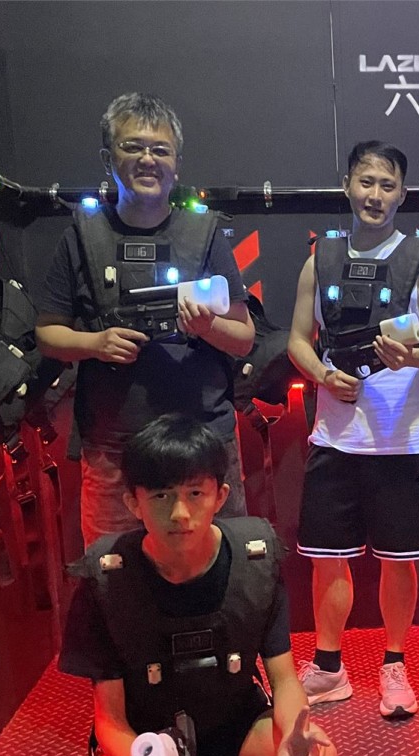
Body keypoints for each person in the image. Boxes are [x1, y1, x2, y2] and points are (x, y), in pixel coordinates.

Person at [59, 413, 338, 756]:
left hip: (233, 723)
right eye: (161, 496)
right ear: (133, 502)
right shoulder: (106, 580)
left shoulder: (256, 560)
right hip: (147, 740)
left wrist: (292, 730)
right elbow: (110, 720)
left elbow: (283, 679)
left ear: (220, 495)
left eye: (195, 493)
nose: (180, 512)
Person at [286, 141, 419, 719]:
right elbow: (297, 340)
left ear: (402, 193)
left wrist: (413, 359)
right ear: (347, 186)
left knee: (398, 560)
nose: (375, 195)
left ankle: (394, 665)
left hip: (401, 441)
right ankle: (329, 668)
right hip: (335, 439)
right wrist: (322, 376)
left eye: (387, 185)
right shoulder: (321, 259)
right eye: (366, 182)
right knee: (327, 559)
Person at [36, 92, 255, 547]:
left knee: (220, 567)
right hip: (114, 446)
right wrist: (95, 344)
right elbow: (47, 333)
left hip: (203, 441)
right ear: (108, 158)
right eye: (132, 146)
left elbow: (243, 338)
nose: (148, 159)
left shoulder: (205, 234)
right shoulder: (81, 236)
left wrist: (207, 328)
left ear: (177, 164)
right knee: (113, 570)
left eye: (160, 150)